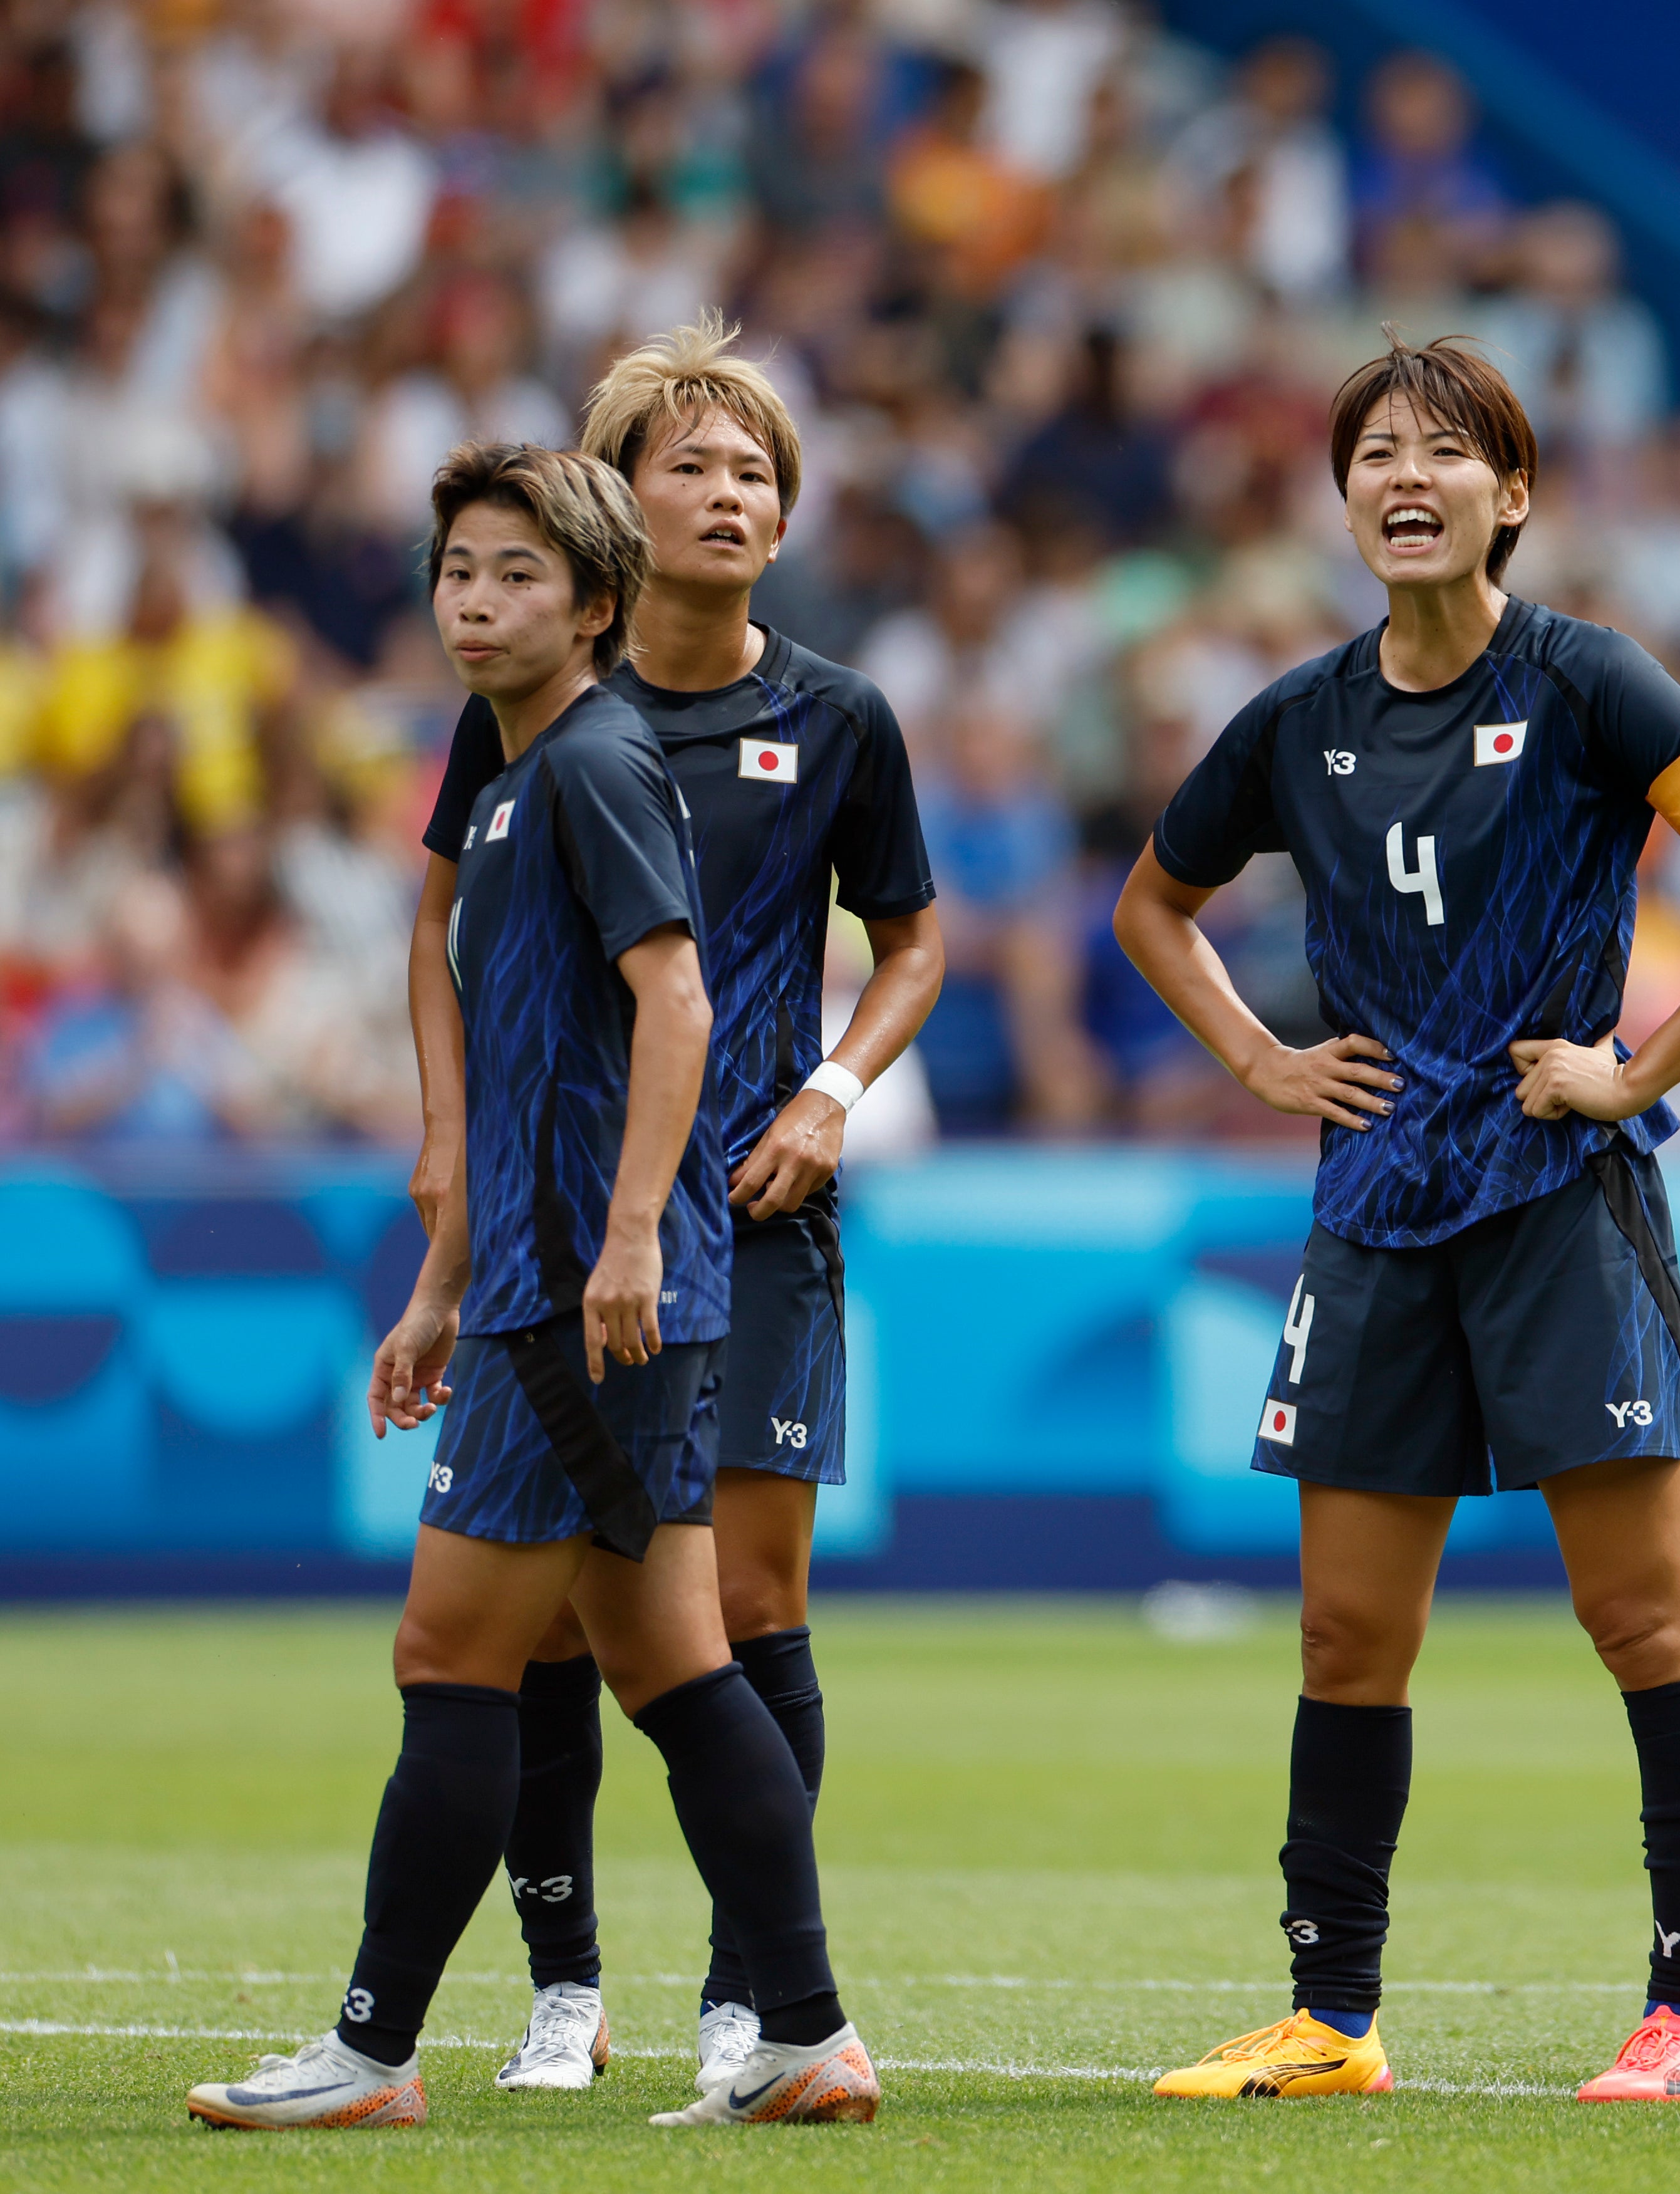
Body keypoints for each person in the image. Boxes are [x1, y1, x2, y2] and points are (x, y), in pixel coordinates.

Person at [1114, 335, 1680, 2105]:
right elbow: (1155, 904)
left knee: (1645, 1620)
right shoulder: (1298, 719)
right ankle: (1333, 2023)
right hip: (1372, 1210)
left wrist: (1633, 1064)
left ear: (1513, 493)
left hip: (1556, 1202)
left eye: (1447, 450)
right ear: (1343, 492)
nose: (1406, 475)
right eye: (1375, 450)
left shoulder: (1591, 682)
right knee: (1350, 1636)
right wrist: (1263, 1061)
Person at [185, 442, 877, 2131]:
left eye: (513, 576)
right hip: (547, 1284)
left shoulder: (586, 765)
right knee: (672, 1666)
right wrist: (442, 1284)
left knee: (452, 1653)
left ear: (593, 603)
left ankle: (371, 2051)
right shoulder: (507, 774)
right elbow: (513, 1062)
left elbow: (682, 1006)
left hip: (590, 1295)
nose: (474, 602)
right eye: (456, 573)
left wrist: (635, 1231)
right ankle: (804, 2037)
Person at [406, 320, 943, 2100]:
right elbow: (440, 932)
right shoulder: (547, 704)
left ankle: (753, 1999)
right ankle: (567, 1988)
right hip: (569, 1221)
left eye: (758, 473)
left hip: (753, 1217)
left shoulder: (840, 716)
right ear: (617, 505)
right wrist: (450, 1151)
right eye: (694, 464)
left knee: (752, 1606)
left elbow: (915, 939)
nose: (730, 494)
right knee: (556, 1617)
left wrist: (834, 1089)